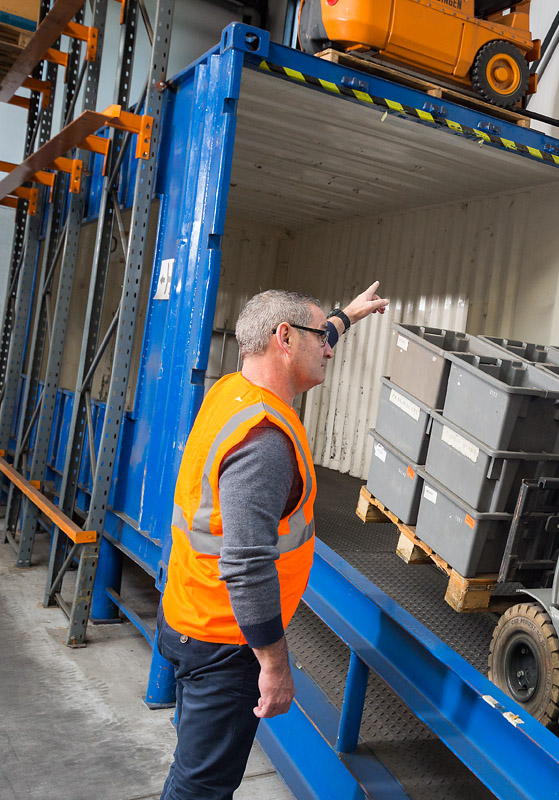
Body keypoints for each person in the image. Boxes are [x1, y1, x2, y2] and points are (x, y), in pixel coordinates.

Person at [157, 282, 388, 800]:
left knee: (193, 768)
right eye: (319, 338)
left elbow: (316, 330)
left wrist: (346, 316)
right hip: (225, 642)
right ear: (284, 338)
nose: (329, 347)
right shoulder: (264, 441)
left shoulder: (231, 392)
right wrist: (274, 665)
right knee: (200, 789)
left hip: (187, 613)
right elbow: (245, 563)